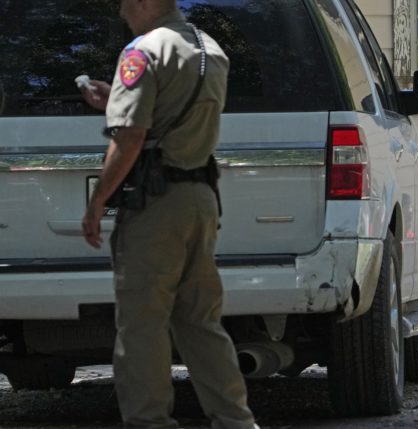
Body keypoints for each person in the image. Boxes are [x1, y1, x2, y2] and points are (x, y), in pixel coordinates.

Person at [79, 1, 258, 427]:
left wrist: (97, 201)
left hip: (155, 206)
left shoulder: (142, 51)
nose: (122, 11)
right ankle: (236, 421)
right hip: (199, 198)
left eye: (125, 3)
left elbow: (132, 137)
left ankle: (149, 422)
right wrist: (116, 101)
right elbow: (171, 119)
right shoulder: (210, 48)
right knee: (200, 320)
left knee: (142, 324)